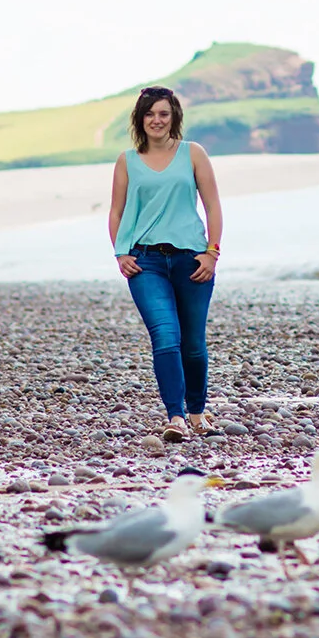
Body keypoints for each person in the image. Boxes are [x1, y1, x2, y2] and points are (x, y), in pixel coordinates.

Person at [107, 85, 224, 442]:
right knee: (165, 336)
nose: (156, 120)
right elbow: (116, 211)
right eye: (149, 114)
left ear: (174, 117)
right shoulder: (127, 160)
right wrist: (120, 253)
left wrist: (212, 252)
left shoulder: (193, 153)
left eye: (163, 114)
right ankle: (175, 417)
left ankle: (197, 414)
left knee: (193, 343)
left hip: (192, 260)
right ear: (140, 119)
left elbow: (213, 205)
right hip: (146, 262)